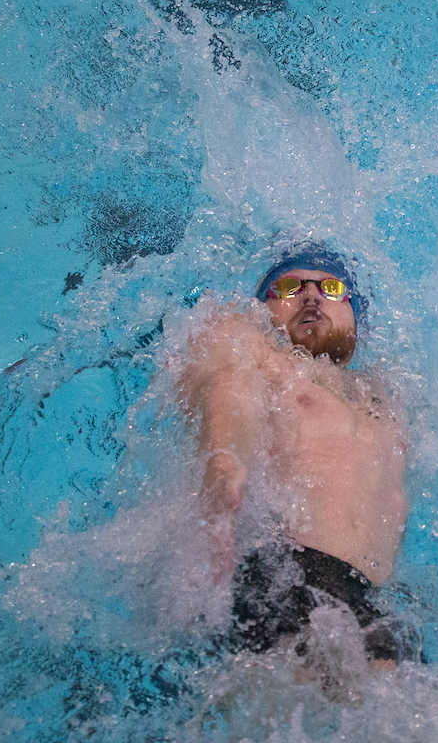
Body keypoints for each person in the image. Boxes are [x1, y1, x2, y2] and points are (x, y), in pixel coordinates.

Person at [176, 242, 420, 665]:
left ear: (355, 313)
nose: (310, 295)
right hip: (289, 574)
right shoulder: (260, 351)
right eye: (288, 287)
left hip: (374, 602)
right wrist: (224, 458)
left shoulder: (385, 399)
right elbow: (224, 380)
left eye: (330, 286)